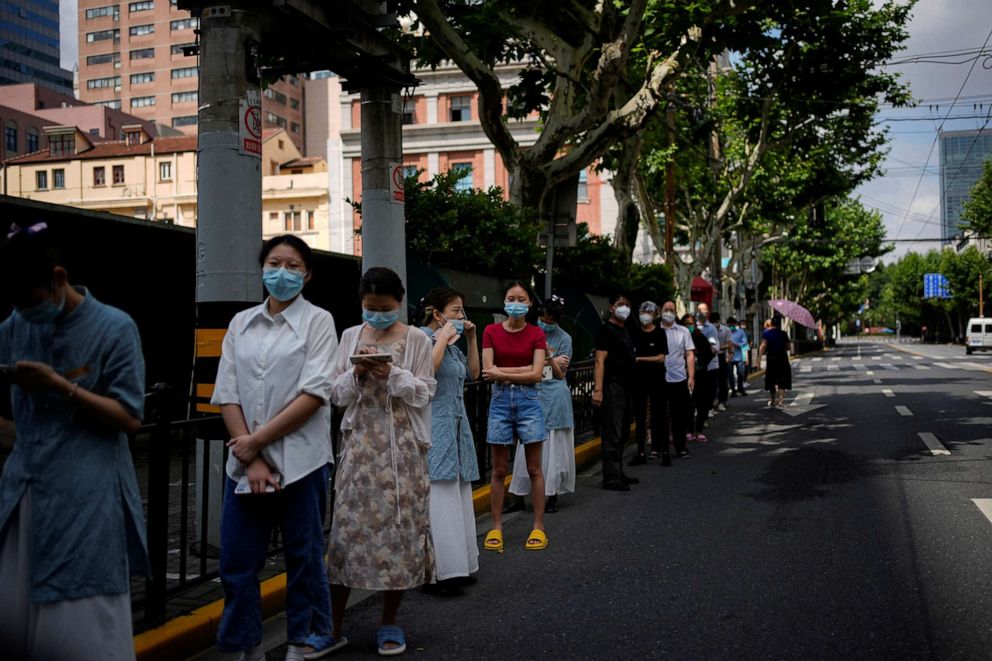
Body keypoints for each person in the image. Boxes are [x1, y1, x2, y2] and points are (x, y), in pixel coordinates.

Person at [0, 223, 148, 660]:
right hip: (24, 490)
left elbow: (130, 417)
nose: (26, 315)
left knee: (82, 623)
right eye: (17, 306)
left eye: (32, 303)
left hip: (88, 497)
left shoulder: (115, 328)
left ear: (59, 279)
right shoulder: (13, 327)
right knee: (16, 617)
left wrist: (61, 387)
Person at [211, 235, 340, 661]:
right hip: (248, 466)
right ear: (262, 267)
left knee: (303, 558)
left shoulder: (319, 321)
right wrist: (254, 457)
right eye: (274, 262)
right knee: (237, 562)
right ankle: (240, 645)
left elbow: (314, 393)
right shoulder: (241, 323)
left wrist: (255, 444)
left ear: (306, 274)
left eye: (292, 265)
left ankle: (304, 640)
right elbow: (227, 392)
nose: (281, 272)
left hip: (302, 461)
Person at [327, 267, 436, 656]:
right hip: (359, 447)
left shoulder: (418, 339)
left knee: (398, 532)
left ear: (400, 303)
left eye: (385, 307)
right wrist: (357, 371)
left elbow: (425, 393)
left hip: (402, 448)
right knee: (346, 533)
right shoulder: (349, 336)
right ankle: (333, 625)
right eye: (370, 308)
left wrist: (392, 372)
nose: (376, 314)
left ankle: (389, 623)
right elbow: (335, 394)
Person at [418, 288, 480, 598]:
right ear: (435, 312)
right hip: (435, 425)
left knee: (456, 494)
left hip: (457, 425)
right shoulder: (420, 339)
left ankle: (461, 565)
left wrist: (471, 339)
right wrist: (442, 336)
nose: (460, 317)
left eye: (461, 311)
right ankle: (437, 572)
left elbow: (474, 373)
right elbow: (428, 371)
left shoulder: (455, 346)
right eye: (455, 310)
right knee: (439, 496)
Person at [481, 281, 549, 552]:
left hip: (529, 401)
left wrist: (503, 373)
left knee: (534, 469)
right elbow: (487, 371)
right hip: (500, 402)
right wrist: (522, 370)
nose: (516, 303)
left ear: (530, 303)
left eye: (522, 299)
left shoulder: (536, 333)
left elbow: (537, 374)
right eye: (511, 298)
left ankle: (539, 526)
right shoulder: (491, 331)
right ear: (504, 301)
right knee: (498, 469)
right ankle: (495, 527)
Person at [509, 294, 575, 513]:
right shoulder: (526, 333)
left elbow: (558, 373)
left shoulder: (564, 339)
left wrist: (546, 359)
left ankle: (551, 494)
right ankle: (518, 495)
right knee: (525, 446)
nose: (545, 324)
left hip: (555, 397)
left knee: (553, 449)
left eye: (550, 320)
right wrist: (549, 361)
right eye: (543, 318)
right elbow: (520, 364)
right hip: (532, 394)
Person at [593, 294, 639, 491]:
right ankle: (610, 476)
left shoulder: (625, 329)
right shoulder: (606, 331)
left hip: (627, 386)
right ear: (611, 307)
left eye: (627, 305)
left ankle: (618, 470)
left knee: (623, 431)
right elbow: (599, 361)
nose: (625, 308)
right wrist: (598, 390)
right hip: (613, 386)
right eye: (621, 305)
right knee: (612, 432)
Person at [628, 301, 668, 466]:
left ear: (655, 315)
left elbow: (660, 358)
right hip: (639, 379)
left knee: (659, 414)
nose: (645, 315)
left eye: (648, 312)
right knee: (640, 415)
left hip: (657, 378)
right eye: (642, 311)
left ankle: (663, 450)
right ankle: (641, 451)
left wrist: (639, 359)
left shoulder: (660, 333)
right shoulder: (635, 333)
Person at [659, 301, 695, 461]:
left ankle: (681, 447)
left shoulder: (684, 331)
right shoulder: (655, 331)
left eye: (672, 310)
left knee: (679, 415)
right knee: (661, 415)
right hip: (659, 379)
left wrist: (691, 377)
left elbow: (689, 354)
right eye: (666, 309)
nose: (669, 312)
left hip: (679, 378)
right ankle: (661, 448)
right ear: (660, 311)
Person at [682, 313, 715, 443]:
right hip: (684, 376)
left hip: (701, 376)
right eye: (687, 324)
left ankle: (699, 431)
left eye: (691, 324)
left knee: (701, 404)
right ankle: (689, 430)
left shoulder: (700, 338)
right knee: (687, 405)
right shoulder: (681, 338)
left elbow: (709, 355)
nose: (689, 326)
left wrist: (698, 359)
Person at [759, 315, 792, 407]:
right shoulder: (784, 334)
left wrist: (758, 360)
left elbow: (763, 347)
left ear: (772, 323)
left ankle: (773, 400)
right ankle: (781, 401)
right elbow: (789, 347)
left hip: (771, 359)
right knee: (782, 380)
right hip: (782, 359)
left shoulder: (767, 334)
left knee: (771, 380)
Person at [711, 311, 732, 411]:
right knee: (712, 382)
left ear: (719, 321)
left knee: (723, 381)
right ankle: (712, 402)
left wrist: (718, 347)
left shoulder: (726, 330)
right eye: (712, 321)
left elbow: (729, 345)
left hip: (721, 357)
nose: (715, 323)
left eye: (716, 321)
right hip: (710, 357)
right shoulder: (708, 330)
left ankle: (722, 401)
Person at [728, 317, 748, 396]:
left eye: (733, 324)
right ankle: (733, 390)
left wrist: (738, 345)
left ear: (735, 324)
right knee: (730, 374)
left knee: (740, 373)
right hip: (729, 356)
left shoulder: (740, 332)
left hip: (739, 356)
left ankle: (740, 388)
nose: (731, 326)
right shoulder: (726, 331)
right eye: (730, 324)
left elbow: (745, 341)